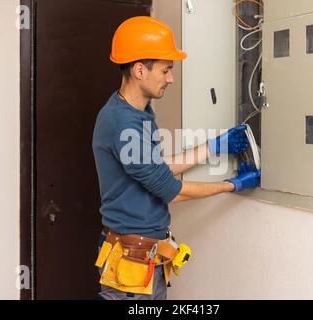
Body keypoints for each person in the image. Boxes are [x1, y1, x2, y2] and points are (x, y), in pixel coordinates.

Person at [92, 16, 260, 300]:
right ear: (140, 70)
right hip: (129, 273)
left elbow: (154, 168)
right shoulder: (122, 123)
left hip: (146, 263)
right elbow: (170, 189)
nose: (171, 78)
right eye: (166, 70)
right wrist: (232, 185)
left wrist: (214, 146)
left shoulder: (138, 112)